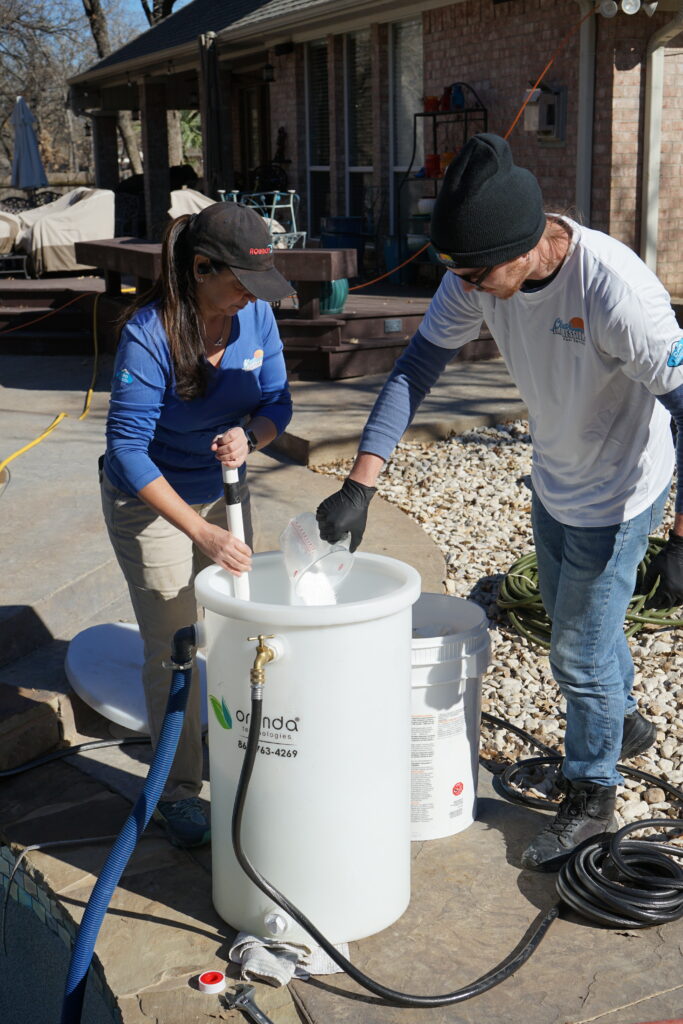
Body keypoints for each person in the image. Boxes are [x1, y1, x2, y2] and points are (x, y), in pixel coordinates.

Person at [316, 133, 683, 871]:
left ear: (529, 244)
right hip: (555, 477)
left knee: (576, 652)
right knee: (571, 620)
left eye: (479, 273)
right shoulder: (474, 274)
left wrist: (681, 537)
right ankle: (622, 722)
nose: (469, 288)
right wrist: (360, 484)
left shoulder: (616, 292)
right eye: (459, 274)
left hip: (621, 492)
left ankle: (591, 794)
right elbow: (415, 368)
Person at [101, 201, 294, 848]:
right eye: (237, 281)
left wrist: (253, 435)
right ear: (199, 268)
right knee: (175, 642)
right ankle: (178, 790)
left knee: (240, 624)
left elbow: (277, 401)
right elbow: (127, 451)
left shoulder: (256, 314)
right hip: (151, 497)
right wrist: (200, 532)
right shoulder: (148, 334)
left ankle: (241, 745)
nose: (248, 297)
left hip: (223, 491)